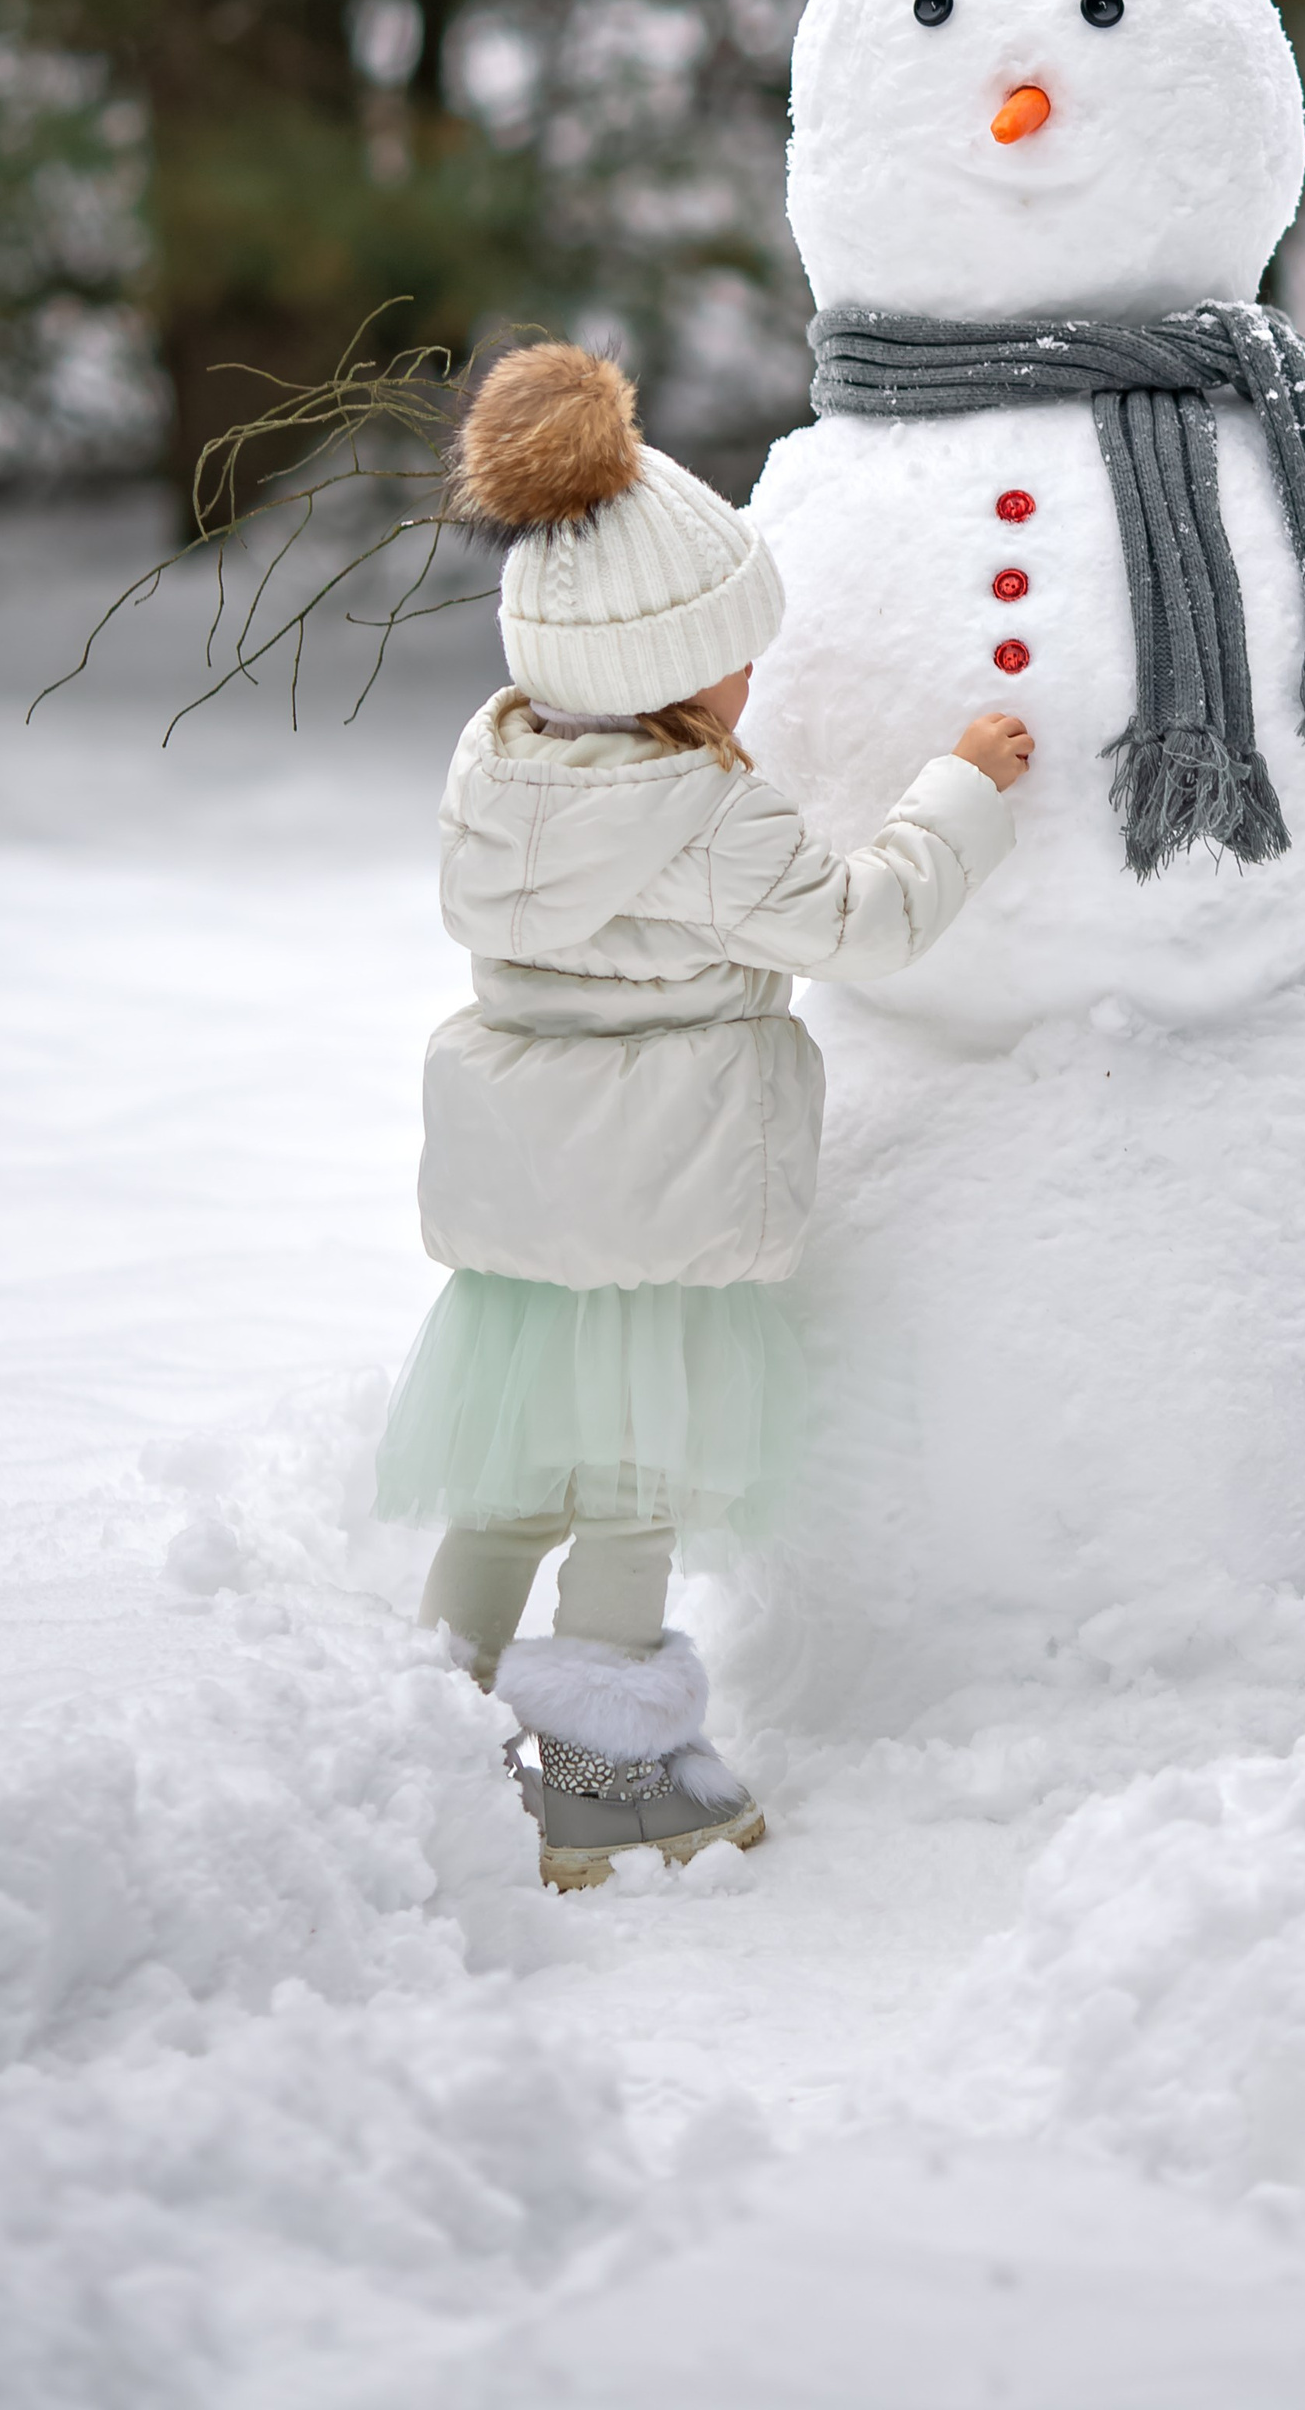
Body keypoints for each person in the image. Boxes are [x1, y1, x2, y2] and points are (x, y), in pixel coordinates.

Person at [373, 341, 1030, 1884]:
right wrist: (961, 789)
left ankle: (418, 1724)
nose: (760, 683)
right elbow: (864, 924)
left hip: (530, 1207)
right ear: (672, 674)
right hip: (656, 1204)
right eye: (741, 658)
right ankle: (602, 1775)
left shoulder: (502, 774)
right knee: (631, 1486)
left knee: (513, 1475)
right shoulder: (709, 820)